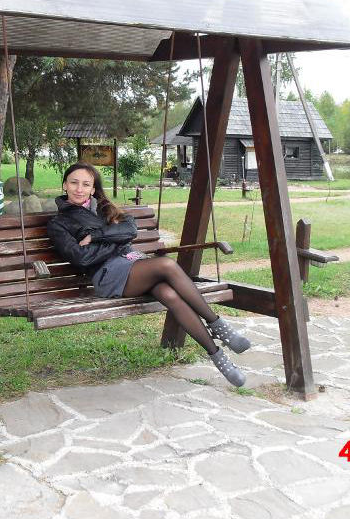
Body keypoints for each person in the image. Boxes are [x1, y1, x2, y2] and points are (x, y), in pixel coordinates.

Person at [47, 163, 252, 386]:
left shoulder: (105, 208)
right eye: (74, 183)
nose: (79, 189)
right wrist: (116, 241)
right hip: (107, 275)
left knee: (170, 295)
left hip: (134, 264)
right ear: (65, 185)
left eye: (86, 184)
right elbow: (81, 257)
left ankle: (218, 357)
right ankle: (218, 325)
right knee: (166, 265)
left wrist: (96, 237)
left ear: (93, 188)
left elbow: (130, 230)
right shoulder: (59, 223)